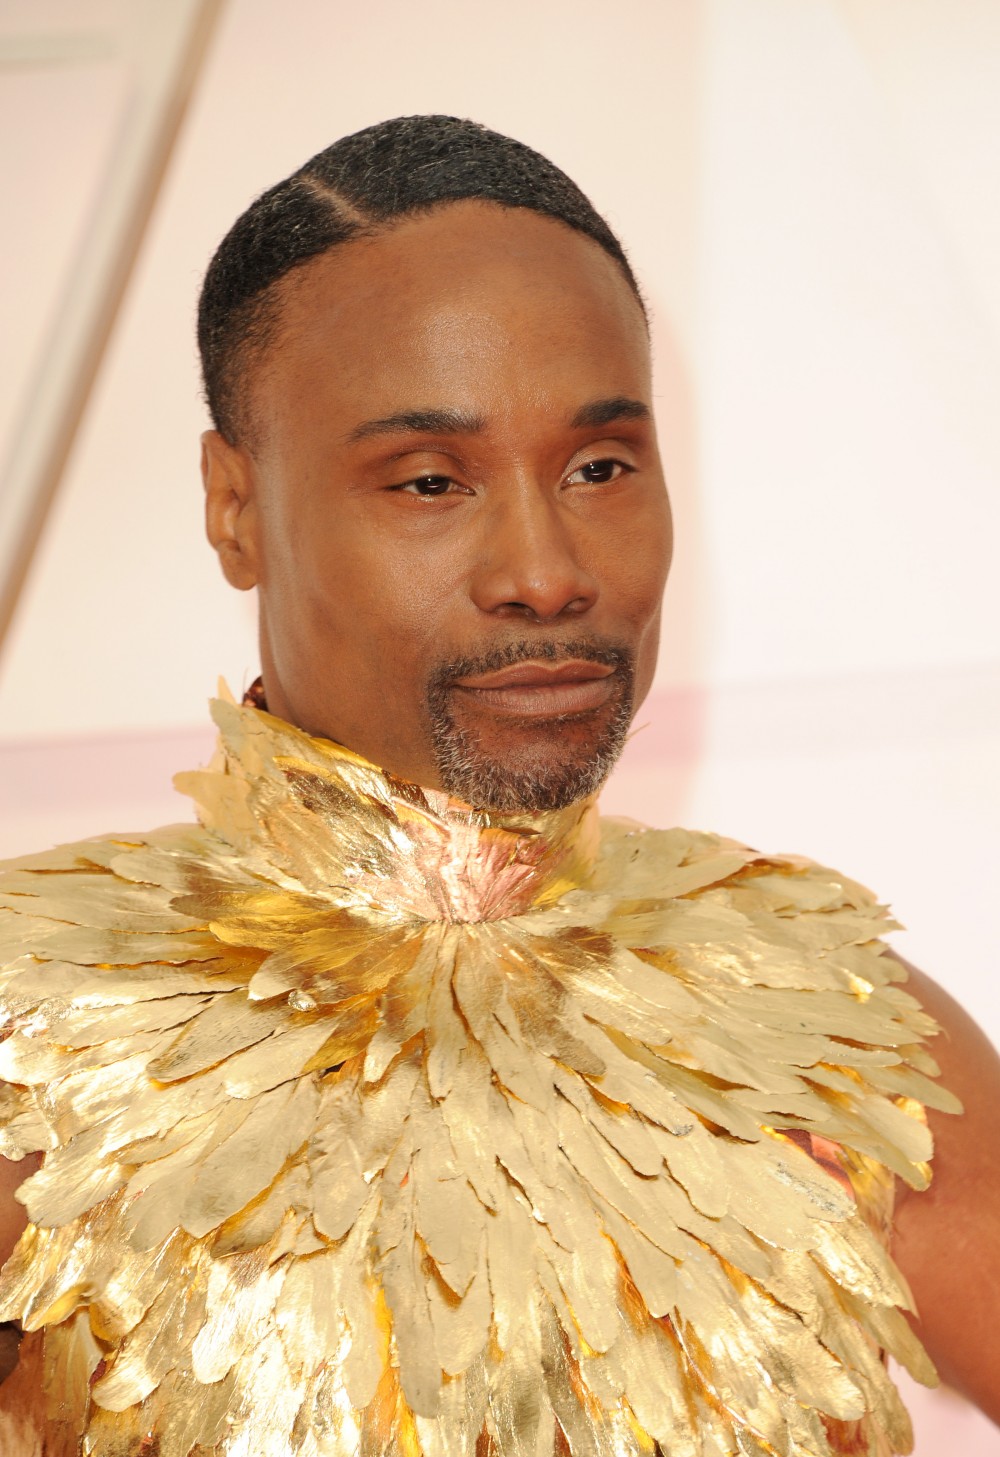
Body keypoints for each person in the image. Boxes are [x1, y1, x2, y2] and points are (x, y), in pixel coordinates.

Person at [0, 115, 996, 1455]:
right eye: (429, 480)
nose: (545, 566)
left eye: (599, 467)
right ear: (233, 505)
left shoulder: (841, 1027)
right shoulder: (33, 1034)